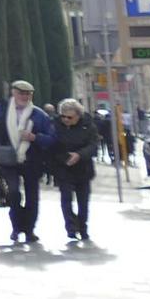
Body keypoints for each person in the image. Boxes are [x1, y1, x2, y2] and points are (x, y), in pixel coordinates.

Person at [0, 80, 55, 243]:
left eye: (28, 94)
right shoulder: (1, 110)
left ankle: (30, 230)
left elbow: (52, 139)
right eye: (21, 93)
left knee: (32, 196)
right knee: (14, 193)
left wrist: (34, 137)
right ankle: (16, 227)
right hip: (7, 160)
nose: (24, 96)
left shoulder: (39, 115)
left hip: (32, 160)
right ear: (13, 93)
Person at [49, 99, 97, 242]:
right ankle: (70, 226)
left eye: (69, 117)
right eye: (63, 116)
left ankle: (83, 227)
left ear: (78, 115)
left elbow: (93, 145)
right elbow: (52, 145)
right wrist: (63, 158)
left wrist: (80, 155)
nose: (65, 120)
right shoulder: (55, 125)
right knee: (66, 198)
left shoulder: (88, 125)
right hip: (64, 167)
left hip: (83, 168)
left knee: (83, 201)